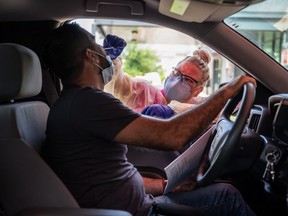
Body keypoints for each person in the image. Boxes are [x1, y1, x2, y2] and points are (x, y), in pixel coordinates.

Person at [41, 23, 257, 216]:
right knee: (227, 198)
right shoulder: (88, 101)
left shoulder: (77, 101)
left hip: (141, 203)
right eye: (97, 46)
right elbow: (172, 136)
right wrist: (225, 92)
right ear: (91, 56)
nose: (104, 52)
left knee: (224, 193)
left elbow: (111, 175)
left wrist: (162, 186)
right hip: (137, 211)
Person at [103, 34, 211, 118]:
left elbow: (217, 111)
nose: (178, 80)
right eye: (177, 73)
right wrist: (111, 60)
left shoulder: (198, 108)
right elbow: (117, 84)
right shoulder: (144, 91)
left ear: (198, 90)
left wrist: (174, 109)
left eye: (188, 79)